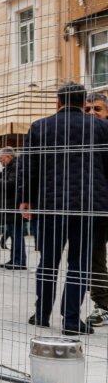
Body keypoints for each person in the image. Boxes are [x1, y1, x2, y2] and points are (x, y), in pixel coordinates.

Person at [19, 83, 108, 334]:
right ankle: (71, 321)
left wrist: (25, 199)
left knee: (48, 261)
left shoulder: (40, 127)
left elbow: (29, 166)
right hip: (89, 206)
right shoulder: (102, 127)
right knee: (79, 263)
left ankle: (42, 314)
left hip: (51, 205)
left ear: (58, 101)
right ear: (83, 103)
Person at [85, 94, 108, 327]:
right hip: (94, 207)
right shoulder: (82, 137)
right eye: (88, 109)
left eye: (97, 109)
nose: (92, 114)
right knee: (95, 258)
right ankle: (103, 305)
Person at [0, 147, 26, 271]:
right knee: (13, 234)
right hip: (10, 206)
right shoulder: (10, 167)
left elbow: (12, 184)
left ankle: (19, 261)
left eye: (1, 158)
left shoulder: (16, 167)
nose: (0, 161)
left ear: (8, 156)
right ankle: (15, 259)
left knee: (16, 235)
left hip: (15, 206)